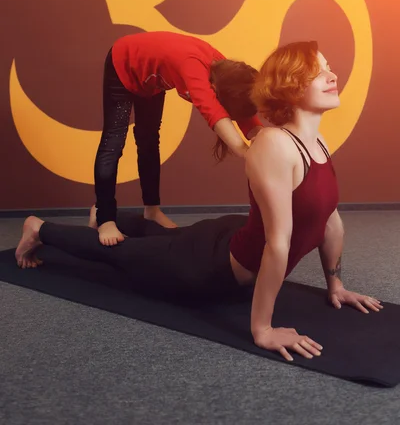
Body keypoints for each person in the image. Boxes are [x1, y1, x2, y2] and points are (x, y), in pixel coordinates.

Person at [15, 41, 382, 362]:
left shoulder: (317, 144)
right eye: (318, 72)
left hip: (229, 236)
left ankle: (109, 216)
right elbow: (278, 243)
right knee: (120, 256)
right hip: (206, 269)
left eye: (328, 67)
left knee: (169, 239)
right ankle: (40, 228)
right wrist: (263, 329)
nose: (332, 75)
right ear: (290, 87)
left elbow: (329, 221)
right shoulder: (273, 146)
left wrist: (336, 285)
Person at [93, 31, 263, 245]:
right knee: (113, 143)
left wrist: (258, 135)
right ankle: (104, 217)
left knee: (148, 143)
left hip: (150, 82)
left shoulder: (226, 73)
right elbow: (213, 112)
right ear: (213, 89)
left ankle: (152, 210)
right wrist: (245, 152)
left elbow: (242, 111)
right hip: (124, 63)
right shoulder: (194, 68)